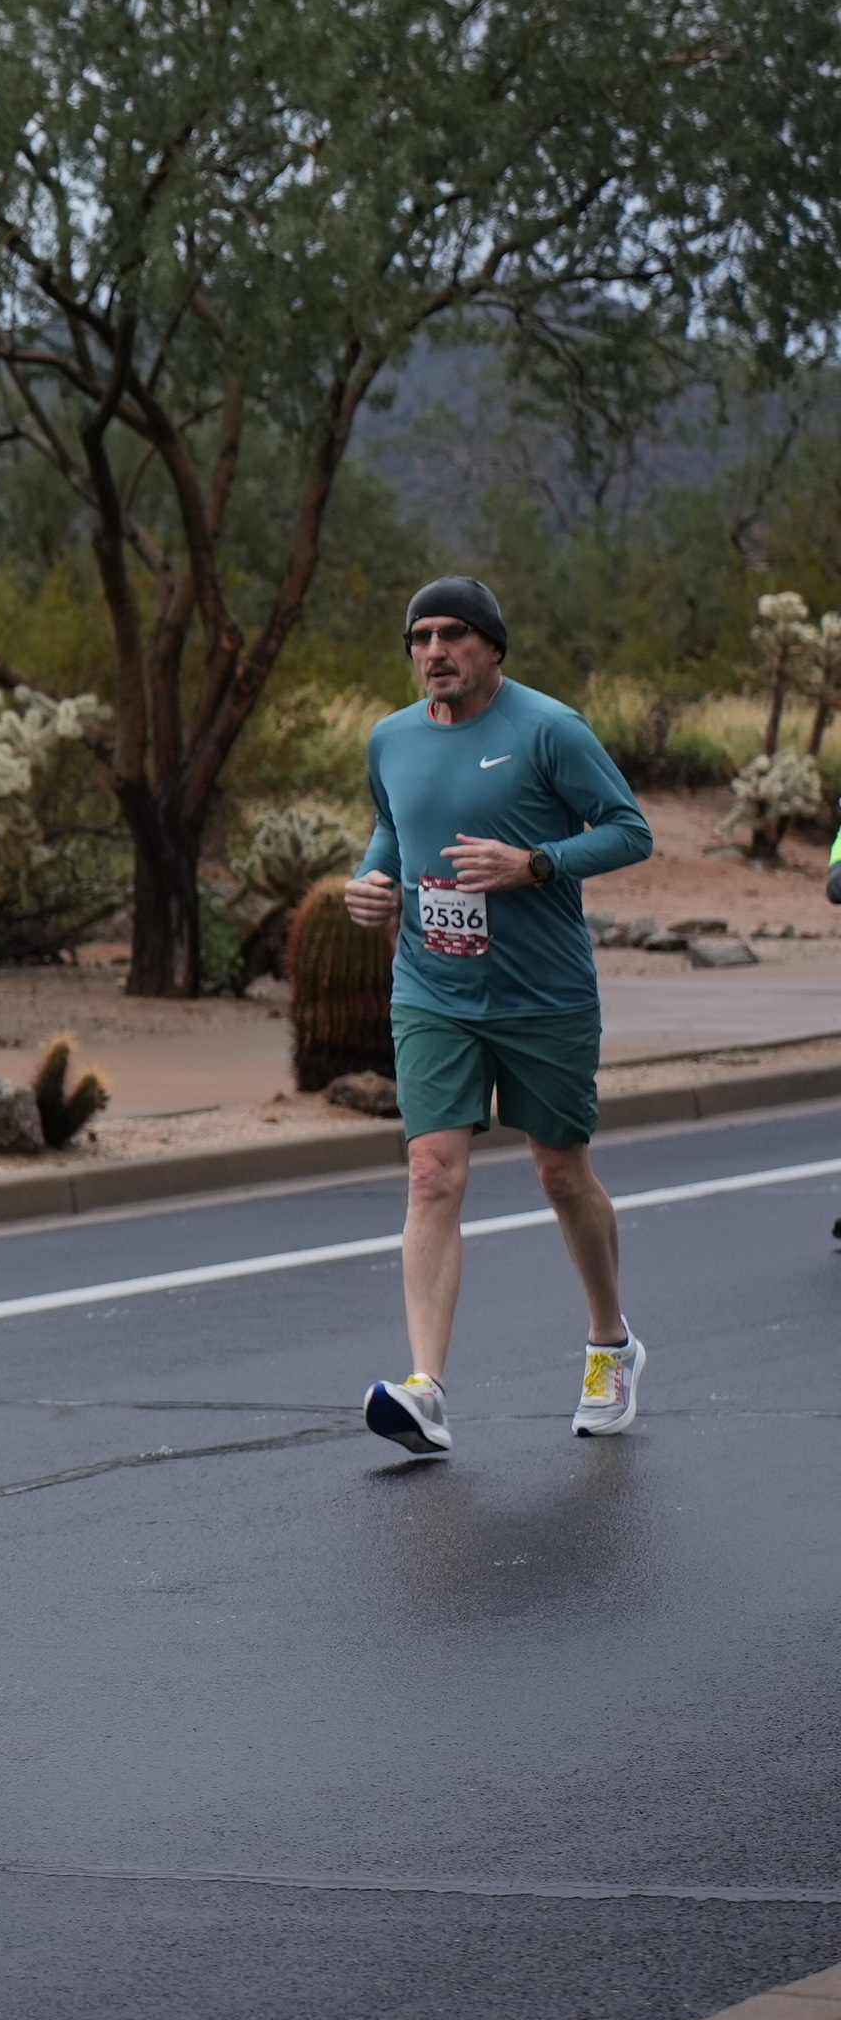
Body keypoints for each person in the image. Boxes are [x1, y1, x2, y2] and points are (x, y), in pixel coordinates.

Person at [341, 577, 654, 1458]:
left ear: (492, 646)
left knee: (561, 1173)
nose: (434, 651)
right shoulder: (391, 738)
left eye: (453, 634)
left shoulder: (549, 728)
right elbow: (391, 828)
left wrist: (536, 863)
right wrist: (371, 882)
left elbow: (630, 830)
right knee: (432, 1173)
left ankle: (611, 1344)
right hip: (432, 990)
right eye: (420, 637)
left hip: (542, 995)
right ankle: (427, 1390)